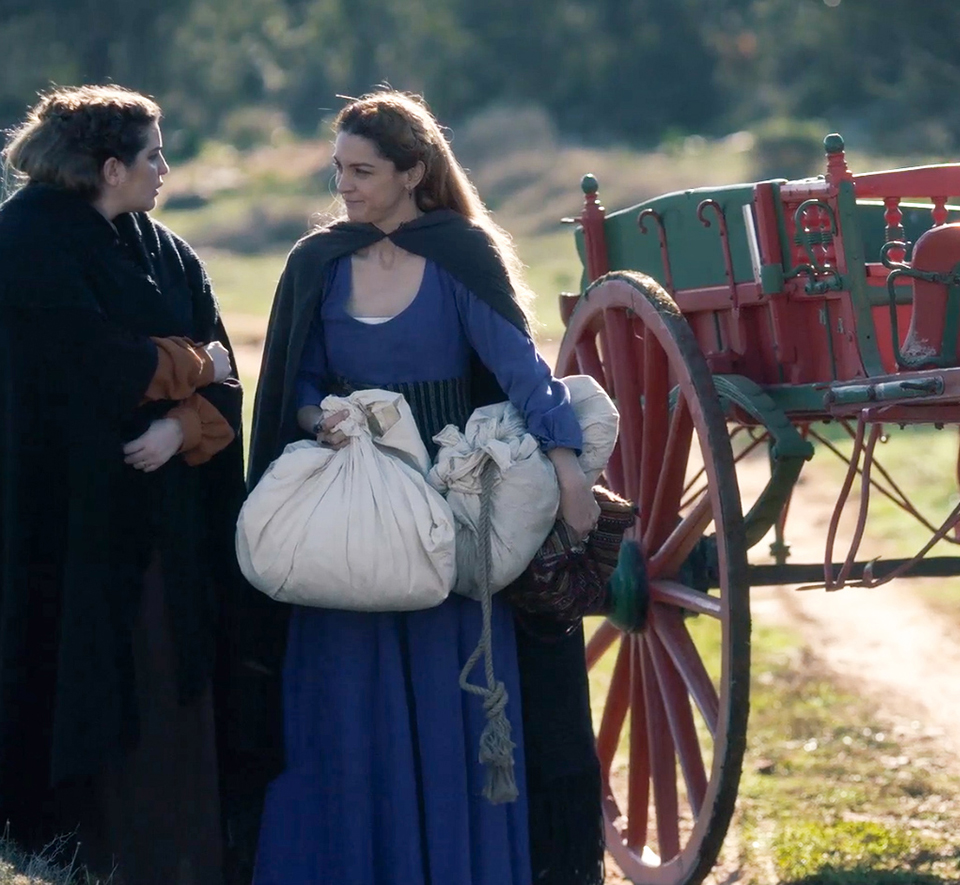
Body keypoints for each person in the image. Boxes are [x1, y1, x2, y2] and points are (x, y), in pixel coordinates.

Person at [247, 90, 605, 885]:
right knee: (347, 711)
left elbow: (520, 369)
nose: (344, 185)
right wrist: (321, 418)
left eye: (363, 171)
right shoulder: (318, 263)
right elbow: (295, 385)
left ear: (413, 172)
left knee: (447, 713)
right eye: (338, 168)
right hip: (348, 525)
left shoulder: (458, 257)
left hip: (447, 521)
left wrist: (567, 463)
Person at [0, 85, 249, 884]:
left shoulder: (163, 248)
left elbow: (228, 373)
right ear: (110, 167)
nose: (165, 168)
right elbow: (93, 364)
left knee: (168, 687)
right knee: (73, 690)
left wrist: (186, 426)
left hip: (159, 527)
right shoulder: (27, 239)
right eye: (153, 155)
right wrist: (188, 364)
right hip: (57, 523)